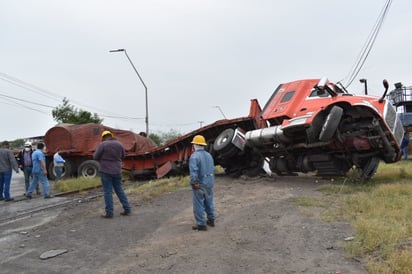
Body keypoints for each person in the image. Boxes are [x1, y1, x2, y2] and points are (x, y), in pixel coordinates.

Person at [93, 130, 131, 218]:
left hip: (106, 171)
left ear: (103, 137)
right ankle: (127, 209)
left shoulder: (103, 144)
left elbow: (95, 157)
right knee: (119, 190)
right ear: (111, 136)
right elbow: (123, 156)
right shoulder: (119, 144)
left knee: (108, 192)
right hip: (117, 170)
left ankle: (109, 213)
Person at [189, 135, 216, 231]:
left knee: (199, 204)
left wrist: (194, 182)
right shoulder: (209, 155)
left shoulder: (194, 156)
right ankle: (211, 220)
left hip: (200, 183)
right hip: (209, 182)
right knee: (209, 201)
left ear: (195, 145)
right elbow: (213, 169)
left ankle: (201, 224)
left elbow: (194, 171)